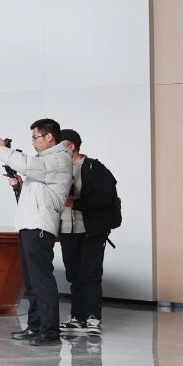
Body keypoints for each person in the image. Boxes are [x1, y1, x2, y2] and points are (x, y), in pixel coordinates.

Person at [0, 119, 73, 346]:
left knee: (41, 279)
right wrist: (19, 185)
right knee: (31, 281)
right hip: (29, 224)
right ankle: (35, 326)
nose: (33, 142)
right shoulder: (45, 162)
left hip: (40, 226)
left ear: (49, 137)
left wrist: (3, 150)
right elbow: (36, 194)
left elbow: (27, 164)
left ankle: (50, 332)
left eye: (35, 137)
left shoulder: (58, 159)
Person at [56, 129, 118, 338]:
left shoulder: (93, 167)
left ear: (71, 146)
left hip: (92, 231)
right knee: (73, 275)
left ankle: (93, 318)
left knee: (90, 274)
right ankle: (77, 317)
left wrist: (75, 203)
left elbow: (105, 198)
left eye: (60, 145)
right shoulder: (57, 169)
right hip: (67, 231)